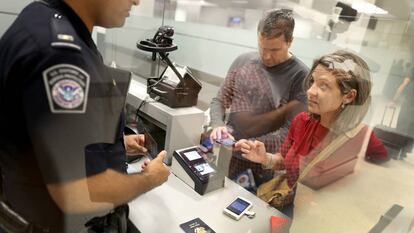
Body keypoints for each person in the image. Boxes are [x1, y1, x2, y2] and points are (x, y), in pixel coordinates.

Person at [0, 0, 170, 232]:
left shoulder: (44, 17)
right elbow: (74, 191)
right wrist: (149, 179)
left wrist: (113, 146)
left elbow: (46, 137)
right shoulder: (60, 54)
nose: (137, 1)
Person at [235, 51, 388, 217]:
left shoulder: (362, 137)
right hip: (290, 209)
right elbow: (285, 161)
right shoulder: (302, 121)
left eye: (323, 86)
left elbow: (379, 186)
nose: (310, 91)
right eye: (312, 82)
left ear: (349, 96)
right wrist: (265, 158)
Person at [209, 9, 309, 187]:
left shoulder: (301, 76)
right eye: (262, 48)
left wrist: (253, 145)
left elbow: (290, 131)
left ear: (290, 42)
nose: (267, 56)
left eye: (275, 50)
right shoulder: (243, 61)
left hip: (264, 164)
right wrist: (217, 124)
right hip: (227, 153)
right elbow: (219, 100)